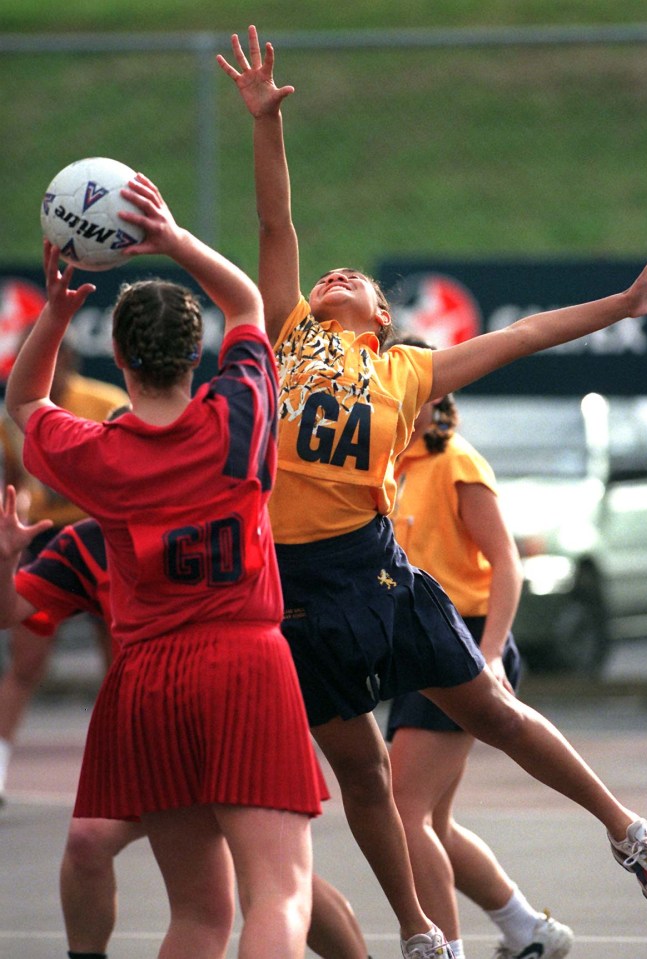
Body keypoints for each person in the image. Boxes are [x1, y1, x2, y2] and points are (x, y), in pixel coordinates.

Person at [217, 25, 647, 959]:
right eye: (327, 276)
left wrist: (621, 305)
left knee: (496, 712)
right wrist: (266, 126)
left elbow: (523, 337)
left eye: (350, 279)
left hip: (374, 574)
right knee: (362, 775)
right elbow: (277, 224)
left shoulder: (406, 372)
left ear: (384, 317)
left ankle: (626, 828)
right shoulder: (285, 338)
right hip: (296, 591)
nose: (332, 275)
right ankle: (421, 930)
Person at [4, 174, 327, 959]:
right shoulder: (237, 420)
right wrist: (176, 240)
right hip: (245, 663)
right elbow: (249, 303)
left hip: (148, 677)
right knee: (279, 896)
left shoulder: (101, 455)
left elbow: (23, 403)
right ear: (199, 354)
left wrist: (54, 313)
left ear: (115, 355)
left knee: (198, 915)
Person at [0, 486, 372, 959]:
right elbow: (11, 610)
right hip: (166, 716)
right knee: (103, 848)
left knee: (268, 889)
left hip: (226, 706)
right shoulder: (91, 542)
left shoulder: (232, 507)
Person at [384, 338, 572, 959]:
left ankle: (447, 950)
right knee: (432, 824)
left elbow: (507, 566)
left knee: (402, 813)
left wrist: (490, 656)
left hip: (462, 642)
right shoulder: (393, 464)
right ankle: (529, 931)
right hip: (418, 646)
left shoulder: (455, 462)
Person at [0, 339, 127, 803]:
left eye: (51, 357)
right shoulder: (13, 418)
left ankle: (126, 765)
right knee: (25, 661)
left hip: (108, 534)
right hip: (49, 539)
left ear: (67, 358)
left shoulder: (107, 403)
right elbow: (16, 482)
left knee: (124, 662)